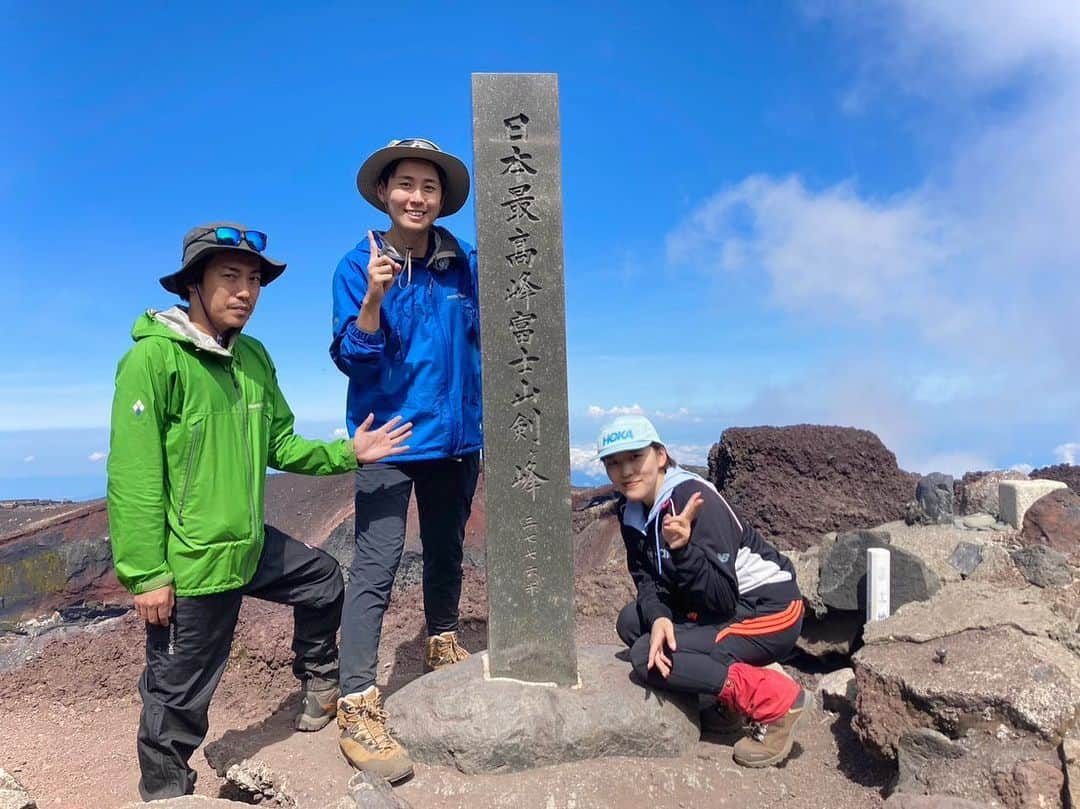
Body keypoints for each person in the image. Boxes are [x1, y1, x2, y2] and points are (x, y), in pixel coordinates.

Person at [107, 222, 412, 801]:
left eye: (254, 280)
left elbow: (281, 444)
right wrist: (147, 574)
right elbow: (134, 478)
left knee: (322, 580)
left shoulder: (252, 356)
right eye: (230, 277)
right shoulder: (152, 362)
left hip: (246, 545)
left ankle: (320, 686)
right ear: (193, 284)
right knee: (177, 703)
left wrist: (348, 452)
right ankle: (167, 795)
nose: (245, 291)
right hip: (191, 562)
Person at [329, 138, 482, 781]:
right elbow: (350, 358)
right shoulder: (354, 264)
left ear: (442, 199)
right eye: (406, 186)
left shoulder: (465, 263)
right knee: (376, 566)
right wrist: (371, 298)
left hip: (454, 440)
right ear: (385, 194)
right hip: (388, 439)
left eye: (429, 187)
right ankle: (357, 703)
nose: (417, 197)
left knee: (447, 548)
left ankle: (441, 643)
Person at [599, 414, 812, 768]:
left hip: (769, 609)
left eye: (636, 458)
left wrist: (682, 549)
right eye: (614, 463)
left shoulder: (694, 500)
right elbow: (647, 578)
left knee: (646, 658)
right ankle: (724, 699)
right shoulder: (632, 510)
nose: (626, 471)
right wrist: (660, 617)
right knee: (634, 623)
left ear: (661, 456)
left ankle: (776, 699)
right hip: (718, 607)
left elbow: (720, 598)